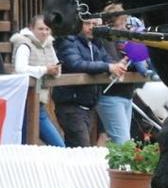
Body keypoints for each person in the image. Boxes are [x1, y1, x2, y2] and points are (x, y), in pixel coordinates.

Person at [52, 18, 128, 147]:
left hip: (89, 106)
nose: (92, 27)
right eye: (88, 23)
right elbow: (76, 64)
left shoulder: (96, 43)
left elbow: (107, 60)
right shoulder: (68, 41)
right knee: (82, 150)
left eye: (95, 25)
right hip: (71, 105)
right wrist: (109, 67)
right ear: (79, 24)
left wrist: (117, 65)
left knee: (77, 151)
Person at [95, 3, 149, 144]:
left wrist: (136, 56)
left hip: (126, 94)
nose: (124, 27)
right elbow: (113, 62)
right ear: (110, 23)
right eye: (121, 24)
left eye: (125, 22)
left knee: (121, 142)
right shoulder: (106, 40)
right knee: (123, 142)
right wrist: (128, 57)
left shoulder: (124, 39)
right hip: (111, 95)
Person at [10, 15, 65, 147]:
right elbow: (20, 69)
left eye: (47, 29)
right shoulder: (23, 44)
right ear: (31, 29)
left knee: (56, 146)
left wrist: (55, 71)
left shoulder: (49, 45)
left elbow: (56, 67)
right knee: (23, 145)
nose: (45, 32)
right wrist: (45, 69)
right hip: (22, 103)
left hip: (38, 104)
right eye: (40, 29)